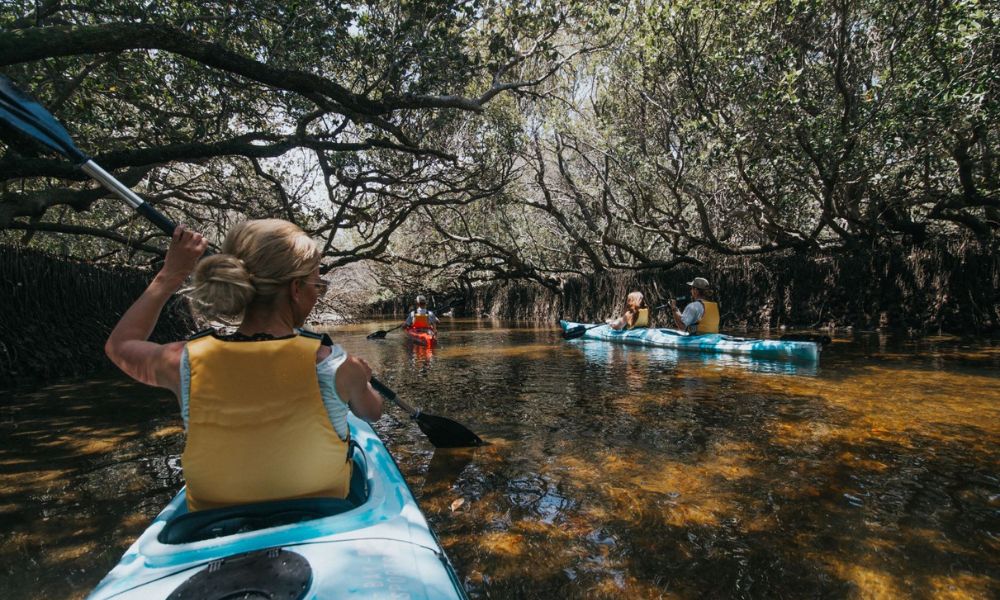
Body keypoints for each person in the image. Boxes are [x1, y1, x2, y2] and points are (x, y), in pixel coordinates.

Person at [104, 220, 383, 511]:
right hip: (323, 513)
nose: (318, 294)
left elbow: (119, 346)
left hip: (213, 523)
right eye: (318, 285)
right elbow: (372, 412)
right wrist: (361, 378)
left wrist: (170, 274)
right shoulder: (337, 365)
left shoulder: (184, 361)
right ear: (296, 289)